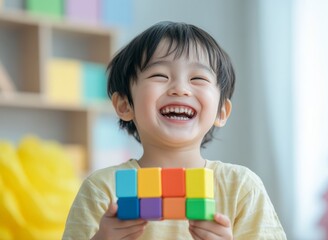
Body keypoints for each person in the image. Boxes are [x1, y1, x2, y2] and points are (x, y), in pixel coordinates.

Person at [62, 21, 286, 240]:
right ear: (124, 105)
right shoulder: (102, 188)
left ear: (221, 112)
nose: (180, 89)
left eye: (198, 78)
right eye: (159, 75)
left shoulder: (241, 186)